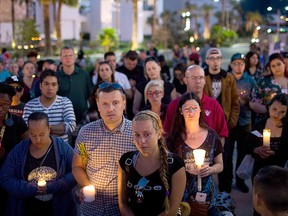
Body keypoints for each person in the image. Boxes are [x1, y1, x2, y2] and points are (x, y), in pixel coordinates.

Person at [72, 82, 137, 215]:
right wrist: (85, 185)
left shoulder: (136, 132)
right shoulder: (86, 132)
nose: (110, 108)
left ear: (124, 104)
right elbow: (77, 166)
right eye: (105, 104)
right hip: (92, 209)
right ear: (98, 105)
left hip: (123, 210)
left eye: (115, 103)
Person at [0, 112, 77, 216]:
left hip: (58, 207)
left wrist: (55, 185)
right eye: (33, 135)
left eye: (42, 134)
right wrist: (29, 188)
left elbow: (76, 171)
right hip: (26, 208)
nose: (38, 139)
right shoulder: (19, 151)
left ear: (49, 129)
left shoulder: (62, 148)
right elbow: (5, 178)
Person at [118, 110, 186, 215]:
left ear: (159, 133)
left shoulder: (175, 165)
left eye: (147, 134)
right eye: (137, 135)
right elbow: (123, 203)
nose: (142, 141)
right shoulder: (126, 161)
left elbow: (172, 209)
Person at [167, 92, 223, 215]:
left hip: (206, 193)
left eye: (195, 108)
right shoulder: (174, 137)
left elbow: (220, 165)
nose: (191, 112)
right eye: (186, 108)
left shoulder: (212, 136)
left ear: (201, 110)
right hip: (180, 193)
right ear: (181, 111)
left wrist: (211, 169)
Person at [203, 48, 240, 192]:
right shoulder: (202, 76)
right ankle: (205, 191)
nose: (214, 61)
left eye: (217, 58)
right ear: (207, 60)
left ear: (221, 60)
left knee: (226, 158)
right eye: (211, 58)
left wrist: (231, 122)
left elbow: (235, 102)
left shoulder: (228, 77)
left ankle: (226, 191)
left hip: (224, 126)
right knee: (206, 159)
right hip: (205, 126)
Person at [164, 65, 228, 147]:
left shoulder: (214, 105)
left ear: (205, 81)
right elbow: (166, 133)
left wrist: (216, 156)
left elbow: (222, 134)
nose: (198, 81)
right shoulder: (174, 105)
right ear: (185, 80)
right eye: (193, 77)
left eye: (201, 77)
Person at [23, 70, 76, 143]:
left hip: (61, 150)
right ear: (40, 86)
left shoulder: (65, 102)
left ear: (58, 87)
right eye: (46, 84)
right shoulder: (30, 105)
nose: (50, 88)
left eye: (54, 84)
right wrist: (56, 129)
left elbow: (71, 126)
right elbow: (26, 129)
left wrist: (44, 129)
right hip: (37, 148)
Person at [0, 82, 29, 215]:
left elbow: (29, 147)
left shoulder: (17, 122)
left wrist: (10, 155)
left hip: (9, 176)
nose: (1, 108)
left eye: (5, 104)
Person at [229, 53, 256, 193]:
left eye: (241, 63)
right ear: (231, 64)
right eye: (236, 63)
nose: (239, 66)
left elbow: (255, 99)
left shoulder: (250, 80)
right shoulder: (227, 79)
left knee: (242, 153)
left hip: (245, 121)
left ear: (245, 65)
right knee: (227, 154)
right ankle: (227, 182)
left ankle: (240, 180)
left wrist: (247, 101)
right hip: (230, 123)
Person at [247, 93, 288, 180]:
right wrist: (255, 150)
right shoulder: (260, 125)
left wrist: (274, 153)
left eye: (282, 112)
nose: (277, 114)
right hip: (259, 170)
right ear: (269, 107)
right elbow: (247, 145)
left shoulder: (286, 128)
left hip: (278, 172)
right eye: (274, 109)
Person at [57, 46, 93, 125]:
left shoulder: (84, 75)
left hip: (82, 119)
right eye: (65, 56)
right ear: (61, 58)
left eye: (70, 55)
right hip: (62, 120)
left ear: (75, 57)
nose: (68, 58)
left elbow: (91, 96)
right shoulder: (56, 77)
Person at [250, 53, 288, 123]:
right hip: (267, 122)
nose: (276, 68)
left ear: (284, 64)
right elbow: (253, 102)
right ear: (270, 68)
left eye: (279, 64)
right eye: (273, 66)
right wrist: (269, 110)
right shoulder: (263, 82)